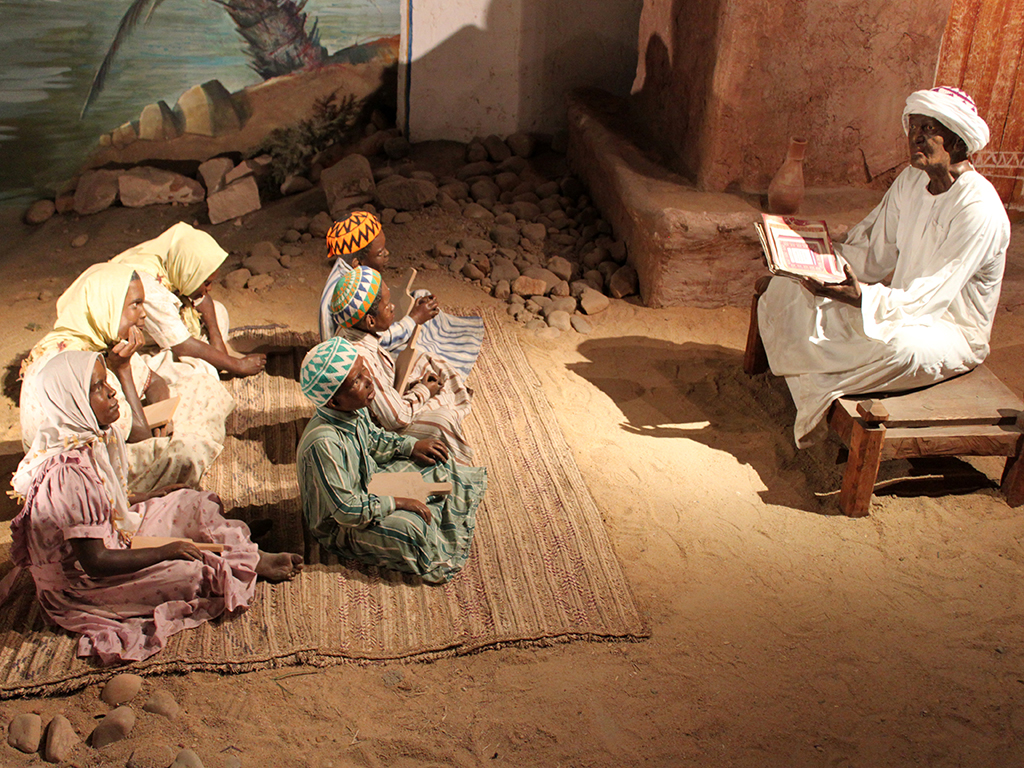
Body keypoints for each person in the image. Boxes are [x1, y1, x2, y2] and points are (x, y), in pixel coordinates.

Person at [4, 350, 302, 664]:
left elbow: (104, 504)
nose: (111, 392)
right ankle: (241, 556)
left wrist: (147, 496)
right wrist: (164, 551)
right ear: (72, 402)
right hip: (84, 583)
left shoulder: (87, 440)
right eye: (96, 388)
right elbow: (95, 562)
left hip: (114, 537)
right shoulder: (68, 474)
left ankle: (238, 547)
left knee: (191, 502)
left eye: (106, 382)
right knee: (190, 572)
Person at [757, 86, 1011, 446]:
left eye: (928, 129)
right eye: (913, 127)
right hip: (899, 304)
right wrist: (810, 261)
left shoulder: (978, 209)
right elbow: (872, 252)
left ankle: (812, 382)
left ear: (957, 141)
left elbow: (930, 297)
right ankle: (815, 381)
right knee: (787, 286)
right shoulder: (912, 180)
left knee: (900, 348)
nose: (915, 138)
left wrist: (862, 298)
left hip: (946, 329)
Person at [20, 263, 231, 491]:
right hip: (85, 471)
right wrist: (123, 370)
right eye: (135, 305)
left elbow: (155, 381)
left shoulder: (100, 339)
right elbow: (139, 435)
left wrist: (163, 418)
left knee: (203, 385)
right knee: (188, 451)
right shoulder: (78, 364)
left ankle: (187, 436)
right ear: (107, 307)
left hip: (122, 434)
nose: (143, 313)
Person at [296, 337, 486, 583]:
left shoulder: (355, 408)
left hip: (369, 485)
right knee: (413, 530)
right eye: (356, 380)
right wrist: (398, 502)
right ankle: (426, 516)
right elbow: (346, 510)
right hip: (342, 524)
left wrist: (410, 446)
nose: (368, 380)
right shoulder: (324, 442)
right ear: (334, 401)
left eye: (364, 369)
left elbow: (374, 439)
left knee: (437, 464)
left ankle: (429, 505)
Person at [329, 265, 476, 465]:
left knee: (425, 359)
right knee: (442, 421)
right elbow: (395, 419)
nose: (392, 307)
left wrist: (414, 317)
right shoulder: (362, 363)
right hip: (382, 428)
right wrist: (424, 391)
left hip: (387, 397)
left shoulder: (351, 329)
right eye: (387, 305)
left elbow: (387, 337)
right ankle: (455, 467)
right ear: (370, 321)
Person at [319, 210, 485, 379]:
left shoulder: (349, 273)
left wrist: (412, 312)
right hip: (357, 360)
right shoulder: (348, 296)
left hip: (369, 332)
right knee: (416, 353)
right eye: (380, 253)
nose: (387, 254)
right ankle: (451, 357)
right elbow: (374, 340)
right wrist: (414, 318)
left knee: (419, 297)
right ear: (357, 262)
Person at [110, 221, 267, 380]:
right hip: (129, 350)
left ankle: (205, 354)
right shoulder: (149, 289)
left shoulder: (174, 262)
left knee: (218, 311)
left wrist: (216, 338)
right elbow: (182, 346)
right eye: (206, 283)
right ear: (190, 274)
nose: (210, 289)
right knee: (202, 371)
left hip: (162, 332)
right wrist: (237, 365)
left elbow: (202, 300)